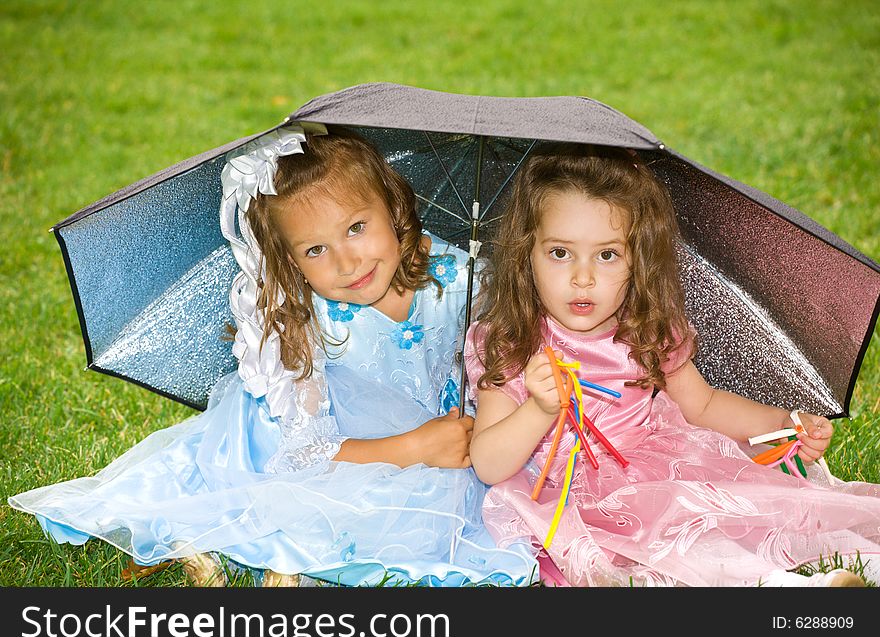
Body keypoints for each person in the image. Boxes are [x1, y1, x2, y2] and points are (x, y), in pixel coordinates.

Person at [8, 125, 537, 588]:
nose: (348, 261)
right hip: (339, 448)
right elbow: (302, 454)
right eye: (315, 250)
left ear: (396, 210)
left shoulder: (466, 281)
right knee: (331, 503)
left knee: (465, 501)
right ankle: (253, 549)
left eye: (356, 227)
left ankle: (278, 556)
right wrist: (412, 445)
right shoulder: (299, 318)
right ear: (287, 259)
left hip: (444, 441)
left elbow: (502, 370)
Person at [464, 143, 880, 587]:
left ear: (637, 259)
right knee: (661, 546)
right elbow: (488, 463)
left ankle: (846, 559)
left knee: (716, 512)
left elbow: (703, 406)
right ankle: (781, 584)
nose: (582, 277)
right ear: (526, 255)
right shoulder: (509, 342)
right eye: (560, 253)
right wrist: (538, 409)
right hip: (562, 494)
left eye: (607, 255)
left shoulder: (646, 331)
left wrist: (782, 423)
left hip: (652, 469)